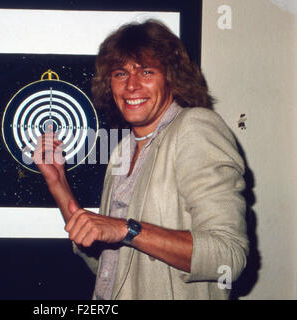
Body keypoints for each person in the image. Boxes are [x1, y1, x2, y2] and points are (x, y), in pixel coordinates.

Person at [33, 19, 248, 300]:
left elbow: (228, 257)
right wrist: (58, 182)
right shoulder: (123, 149)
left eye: (146, 71)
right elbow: (107, 266)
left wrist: (126, 229)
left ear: (171, 77)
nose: (132, 85)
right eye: (121, 74)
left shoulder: (195, 127)